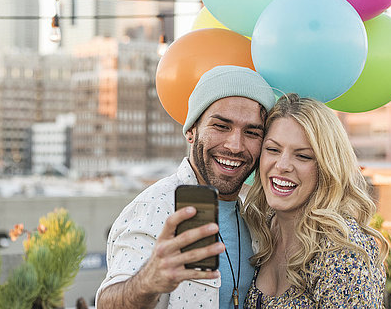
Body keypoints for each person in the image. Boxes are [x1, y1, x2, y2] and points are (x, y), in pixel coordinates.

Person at [96, 65, 276, 309]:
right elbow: (108, 303)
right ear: (191, 130)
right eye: (221, 126)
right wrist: (150, 280)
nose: (235, 145)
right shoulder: (155, 206)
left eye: (252, 132)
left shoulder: (255, 216)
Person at [242, 93, 388, 308]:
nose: (282, 165)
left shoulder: (343, 253)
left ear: (326, 167)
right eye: (273, 149)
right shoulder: (260, 229)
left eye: (303, 156)